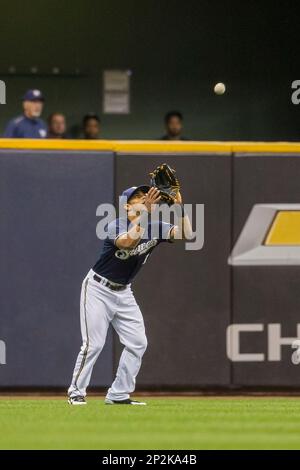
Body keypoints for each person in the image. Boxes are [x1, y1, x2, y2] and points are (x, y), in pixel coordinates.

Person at [68, 183, 191, 405]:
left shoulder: (156, 226)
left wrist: (179, 207)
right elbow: (127, 241)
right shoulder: (115, 225)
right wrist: (145, 215)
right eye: (137, 198)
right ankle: (76, 392)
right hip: (97, 288)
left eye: (145, 195)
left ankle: (118, 394)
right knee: (93, 344)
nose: (144, 198)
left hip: (124, 292)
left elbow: (187, 233)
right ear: (126, 207)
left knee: (138, 342)